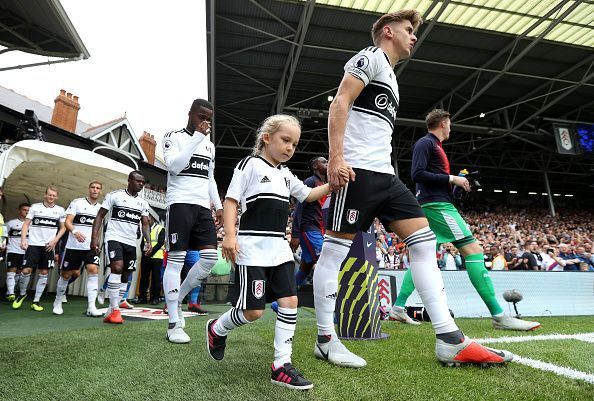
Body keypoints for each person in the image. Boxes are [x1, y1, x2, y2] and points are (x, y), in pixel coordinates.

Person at [313, 10, 513, 368]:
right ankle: (326, 339)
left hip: (387, 178)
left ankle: (449, 338)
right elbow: (340, 102)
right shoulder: (370, 56)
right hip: (357, 172)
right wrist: (336, 160)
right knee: (333, 254)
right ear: (388, 32)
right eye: (408, 30)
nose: (414, 36)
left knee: (423, 244)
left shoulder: (390, 75)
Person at [207, 114, 333, 390]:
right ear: (266, 138)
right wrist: (230, 235)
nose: (290, 148)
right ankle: (217, 328)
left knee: (290, 301)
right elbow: (230, 201)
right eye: (285, 140)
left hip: (279, 250)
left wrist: (334, 183)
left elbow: (309, 195)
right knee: (253, 313)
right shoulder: (249, 165)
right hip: (251, 249)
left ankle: (281, 365)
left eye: (295, 144)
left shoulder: (286, 175)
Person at [390, 109, 540, 331]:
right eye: (449, 124)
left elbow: (431, 179)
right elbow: (417, 174)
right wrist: (452, 179)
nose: (450, 128)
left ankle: (398, 307)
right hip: (437, 206)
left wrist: (457, 186)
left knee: (425, 257)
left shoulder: (436, 147)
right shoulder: (426, 143)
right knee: (474, 250)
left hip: (435, 203)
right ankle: (499, 316)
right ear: (442, 124)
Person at [161, 98, 223, 343]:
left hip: (201, 207)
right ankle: (174, 323)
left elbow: (210, 178)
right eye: (201, 116)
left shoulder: (209, 146)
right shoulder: (173, 136)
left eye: (208, 118)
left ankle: (177, 298)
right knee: (176, 261)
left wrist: (217, 205)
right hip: (179, 204)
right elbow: (174, 166)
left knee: (209, 259)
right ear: (190, 114)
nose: (204, 121)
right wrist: (197, 137)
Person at [90, 171, 151, 324]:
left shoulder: (143, 203)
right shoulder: (114, 196)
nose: (141, 184)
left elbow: (144, 224)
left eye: (143, 182)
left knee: (125, 274)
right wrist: (94, 238)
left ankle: (112, 309)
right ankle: (116, 310)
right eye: (138, 181)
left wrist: (148, 241)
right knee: (117, 267)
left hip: (131, 242)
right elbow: (99, 216)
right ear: (129, 180)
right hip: (114, 237)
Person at [271, 156, 328, 313]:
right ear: (315, 166)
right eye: (323, 162)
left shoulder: (324, 184)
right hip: (309, 231)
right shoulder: (310, 182)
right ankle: (330, 310)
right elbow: (299, 209)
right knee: (326, 265)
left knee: (304, 269)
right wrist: (295, 234)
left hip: (318, 230)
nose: (327, 163)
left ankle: (278, 303)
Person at [52, 181, 103, 317]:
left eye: (98, 188)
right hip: (73, 246)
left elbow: (98, 228)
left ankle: (91, 307)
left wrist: (96, 241)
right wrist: (75, 232)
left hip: (90, 246)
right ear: (89, 189)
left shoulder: (101, 208)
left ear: (100, 191)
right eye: (93, 187)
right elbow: (68, 222)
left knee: (93, 270)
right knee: (66, 274)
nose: (95, 190)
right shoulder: (77, 203)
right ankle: (58, 301)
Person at [13, 186, 66, 311]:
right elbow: (26, 224)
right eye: (49, 195)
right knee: (26, 271)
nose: (51, 197)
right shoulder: (35, 207)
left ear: (56, 197)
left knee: (44, 272)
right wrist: (23, 240)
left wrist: (55, 240)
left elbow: (63, 227)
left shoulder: (60, 210)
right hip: (33, 244)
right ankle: (22, 295)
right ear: (45, 195)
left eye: (54, 195)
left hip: (48, 246)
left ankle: (36, 301)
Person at [4, 202, 30, 301]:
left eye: (28, 210)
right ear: (19, 211)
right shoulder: (11, 223)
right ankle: (10, 293)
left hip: (26, 253)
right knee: (11, 271)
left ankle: (13, 290)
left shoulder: (31, 225)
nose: (26, 212)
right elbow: (3, 236)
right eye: (24, 210)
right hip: (12, 250)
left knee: (20, 272)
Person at [138, 214, 165, 305]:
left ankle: (155, 297)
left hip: (156, 257)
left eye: (148, 220)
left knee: (156, 278)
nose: (147, 221)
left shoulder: (160, 228)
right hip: (146, 257)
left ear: (153, 218)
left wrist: (151, 252)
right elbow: (143, 242)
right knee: (144, 278)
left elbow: (160, 242)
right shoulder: (145, 229)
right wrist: (143, 253)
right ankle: (142, 297)